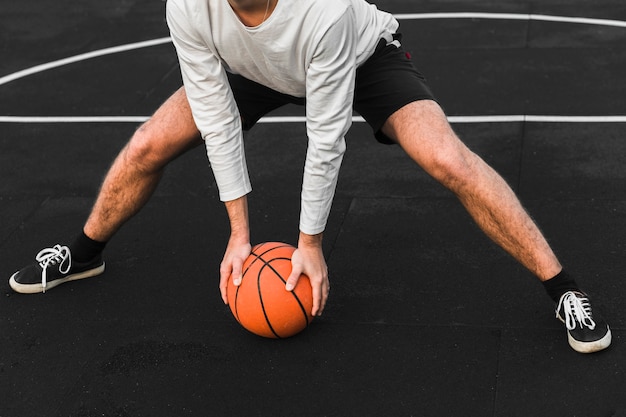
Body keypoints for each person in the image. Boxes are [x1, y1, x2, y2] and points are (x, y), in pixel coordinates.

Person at [8, 0, 611, 353]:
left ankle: (562, 289)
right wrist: (239, 234)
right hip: (249, 70)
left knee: (447, 158)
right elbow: (217, 119)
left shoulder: (324, 11)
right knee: (146, 145)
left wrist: (311, 245)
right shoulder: (189, 7)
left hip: (357, 57)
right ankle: (85, 253)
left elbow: (325, 137)